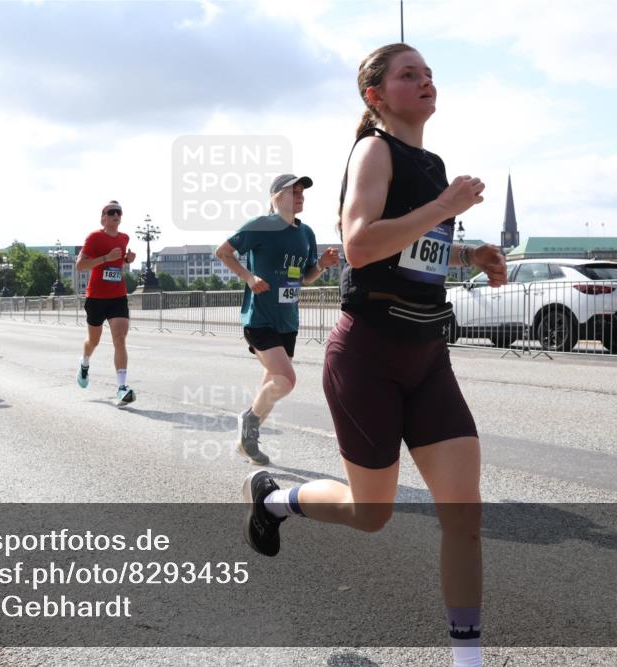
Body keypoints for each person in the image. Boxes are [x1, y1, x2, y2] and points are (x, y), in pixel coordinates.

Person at [240, 44, 507, 667]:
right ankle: (274, 500)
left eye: (429, 73)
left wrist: (474, 254)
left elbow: (415, 248)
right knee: (370, 514)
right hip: (367, 356)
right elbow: (359, 246)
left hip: (428, 357)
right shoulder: (374, 150)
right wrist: (446, 207)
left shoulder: (433, 162)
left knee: (464, 518)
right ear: (376, 96)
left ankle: (467, 662)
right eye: (408, 74)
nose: (425, 81)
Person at [215, 174, 339, 465]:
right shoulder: (261, 226)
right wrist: (249, 277)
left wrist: (322, 265)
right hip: (260, 317)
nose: (300, 196)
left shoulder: (306, 233)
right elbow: (223, 252)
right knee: (286, 380)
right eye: (293, 191)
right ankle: (249, 421)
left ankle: (244, 443)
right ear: (275, 197)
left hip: (288, 319)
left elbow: (305, 277)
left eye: (302, 192)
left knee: (271, 383)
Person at [75, 200, 137, 406]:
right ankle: (84, 364)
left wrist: (127, 260)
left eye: (119, 212)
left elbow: (117, 264)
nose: (116, 215)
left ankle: (121, 387)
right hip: (96, 297)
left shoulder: (124, 238)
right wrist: (105, 258)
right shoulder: (94, 238)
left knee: (119, 338)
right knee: (93, 341)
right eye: (111, 212)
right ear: (103, 217)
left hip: (118, 295)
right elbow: (81, 265)